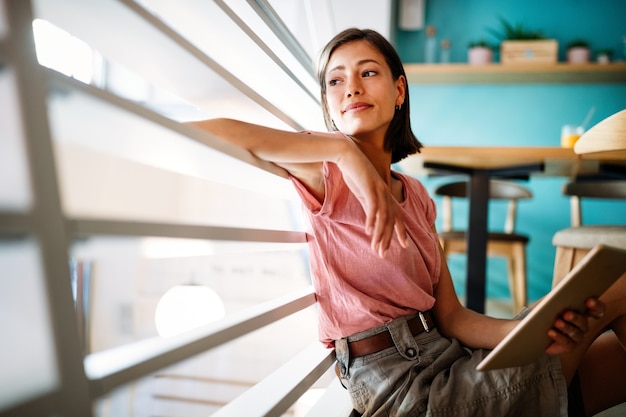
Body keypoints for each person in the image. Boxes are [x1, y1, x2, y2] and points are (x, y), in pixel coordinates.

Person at [190, 28, 626, 417]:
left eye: (368, 73)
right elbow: (205, 130)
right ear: (327, 102)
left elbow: (452, 316)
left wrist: (524, 332)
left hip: (449, 352)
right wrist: (343, 153)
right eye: (335, 80)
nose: (351, 88)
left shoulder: (415, 194)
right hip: (406, 392)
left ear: (400, 90)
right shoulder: (323, 169)